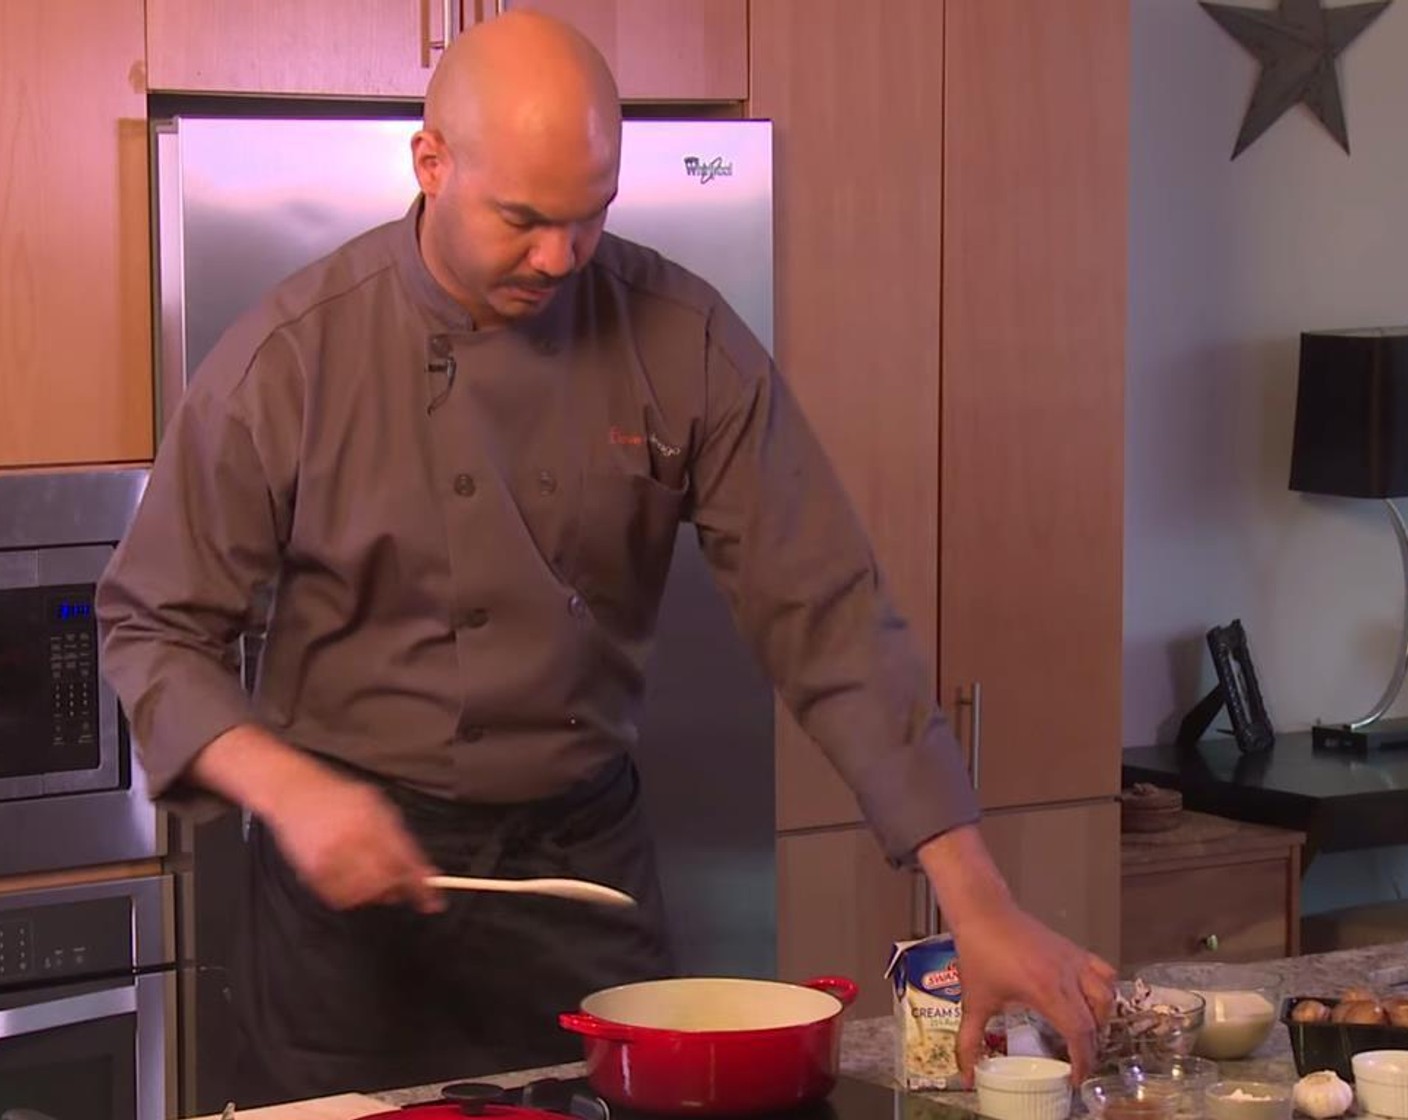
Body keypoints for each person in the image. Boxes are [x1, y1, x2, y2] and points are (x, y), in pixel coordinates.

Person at [96, 10, 1115, 1106]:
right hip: (349, 920)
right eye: (525, 220)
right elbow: (152, 622)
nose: (559, 258)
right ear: (429, 164)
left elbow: (826, 611)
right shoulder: (289, 360)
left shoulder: (683, 338)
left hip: (583, 883)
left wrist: (975, 892)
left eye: (590, 219)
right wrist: (290, 788)